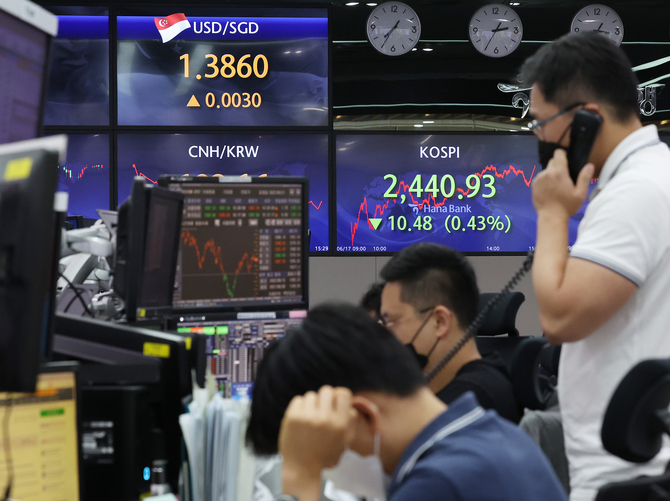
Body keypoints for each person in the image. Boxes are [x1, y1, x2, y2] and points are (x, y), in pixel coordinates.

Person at [521, 31, 670, 501]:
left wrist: (551, 213)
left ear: (587, 118)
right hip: (627, 461)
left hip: (626, 472)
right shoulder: (645, 177)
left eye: (542, 122)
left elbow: (561, 318)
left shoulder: (637, 191)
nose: (540, 137)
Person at [246, 303, 567, 501]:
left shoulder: (436, 485)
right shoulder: (498, 434)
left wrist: (301, 479)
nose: (330, 478)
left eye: (326, 463)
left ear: (361, 413)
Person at [379, 242, 521, 423]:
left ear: (440, 322)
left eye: (392, 322)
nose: (385, 336)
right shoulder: (447, 389)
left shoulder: (472, 400)